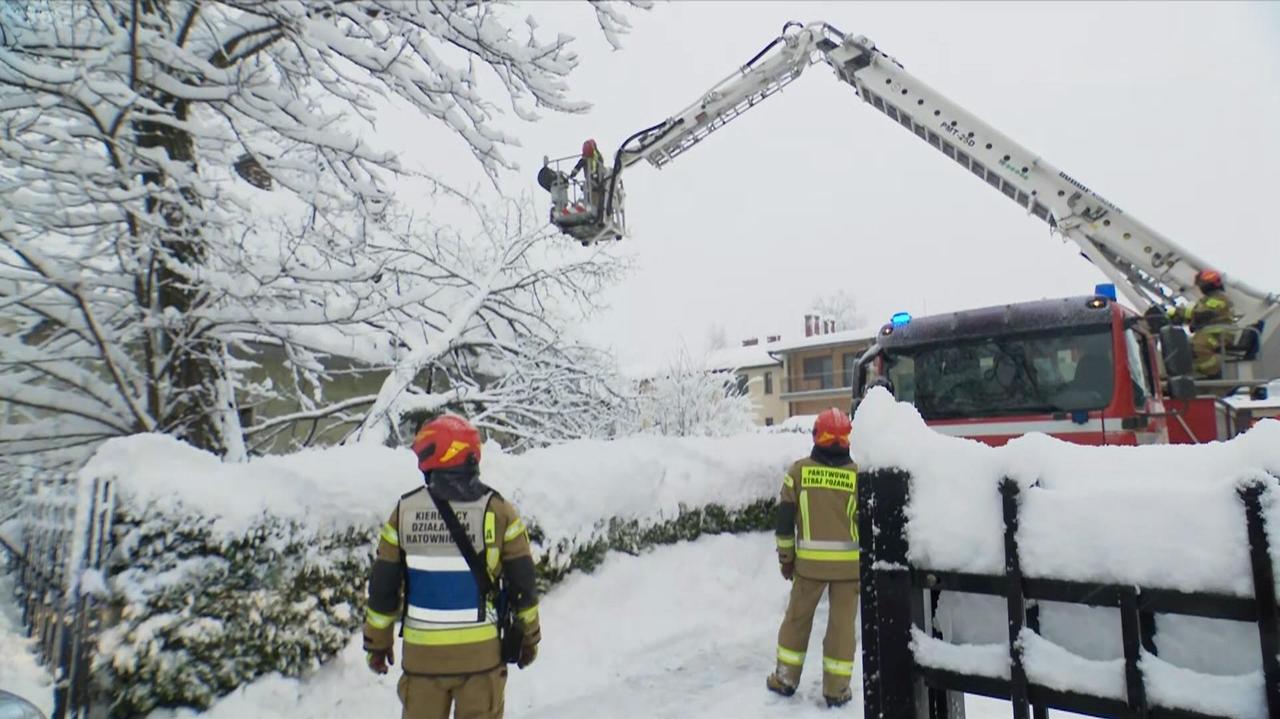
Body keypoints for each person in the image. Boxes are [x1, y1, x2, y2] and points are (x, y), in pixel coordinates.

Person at [364, 414, 541, 719]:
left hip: (422, 663)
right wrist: (529, 638)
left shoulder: (404, 511)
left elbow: (383, 588)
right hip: (481, 661)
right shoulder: (498, 510)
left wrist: (377, 644)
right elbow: (523, 584)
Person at [766, 408, 861, 708]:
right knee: (842, 627)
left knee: (796, 621)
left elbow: (784, 522)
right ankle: (836, 689)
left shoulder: (798, 472)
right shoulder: (858, 475)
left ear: (816, 436)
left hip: (808, 568)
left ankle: (785, 679)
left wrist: (786, 558)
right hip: (849, 570)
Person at [1167, 269, 1236, 379]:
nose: (1201, 287)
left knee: (1197, 347)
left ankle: (1214, 371)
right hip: (1209, 334)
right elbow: (1195, 315)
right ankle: (1194, 372)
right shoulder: (1206, 299)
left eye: (1202, 284)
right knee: (1183, 346)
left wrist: (1178, 312)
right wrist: (1177, 316)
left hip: (1220, 335)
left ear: (1211, 284)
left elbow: (1203, 313)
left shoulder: (1220, 298)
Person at [569, 138, 607, 209]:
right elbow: (578, 166)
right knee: (590, 196)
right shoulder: (595, 158)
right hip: (594, 183)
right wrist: (572, 174)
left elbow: (578, 167)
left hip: (596, 183)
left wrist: (572, 175)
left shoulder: (597, 158)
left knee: (594, 198)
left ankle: (595, 208)